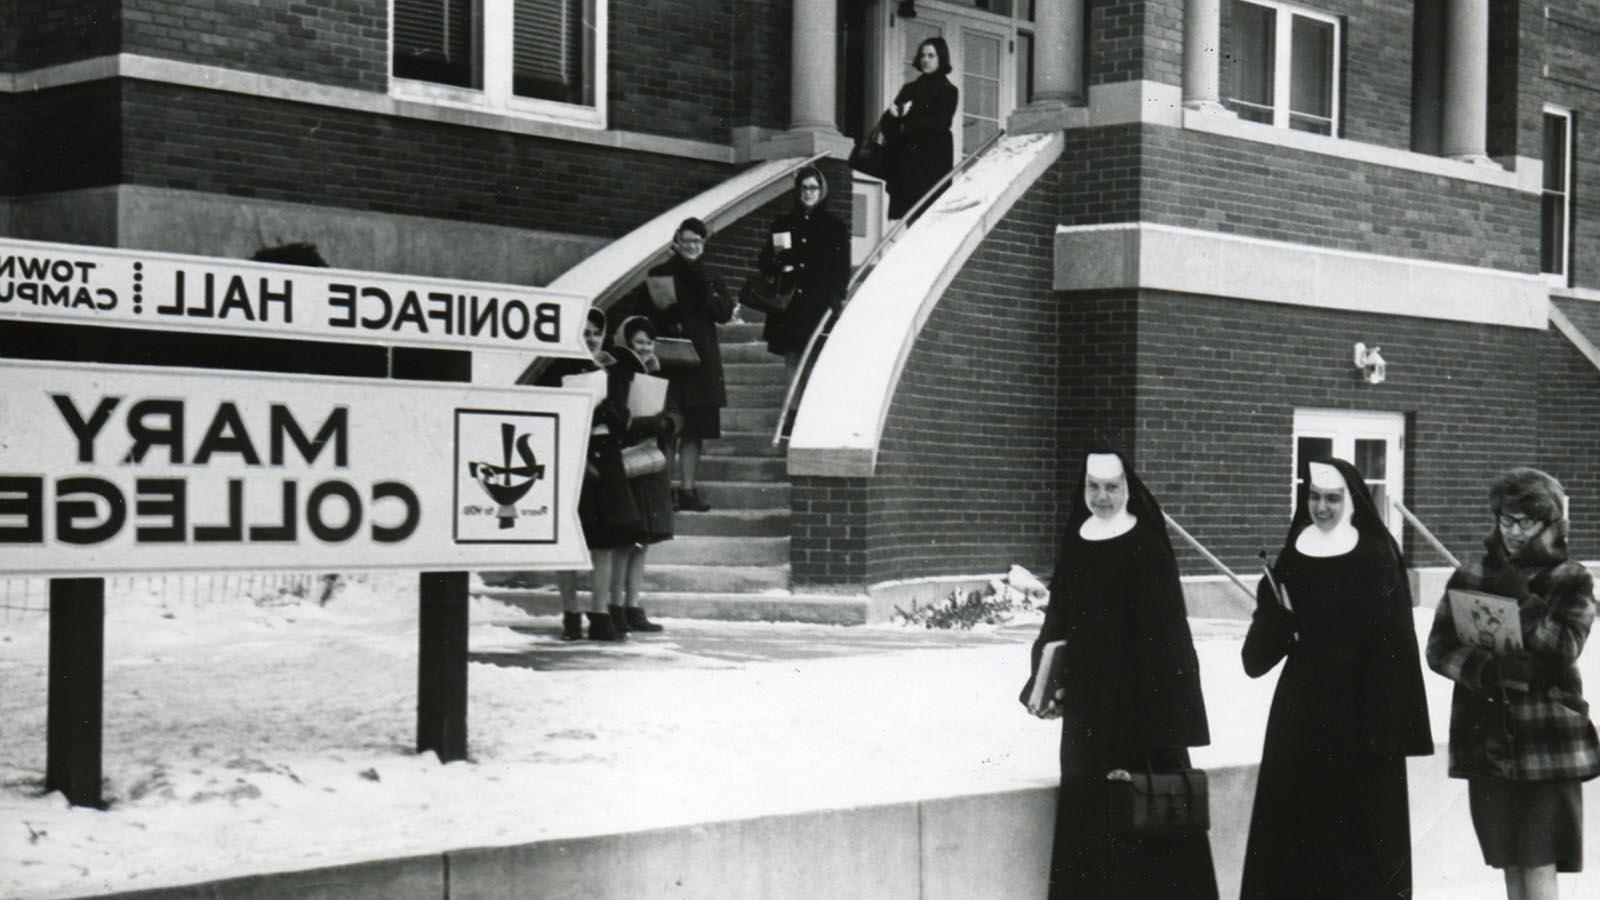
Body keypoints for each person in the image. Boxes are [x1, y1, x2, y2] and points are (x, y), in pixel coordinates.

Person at [1020, 450, 1217, 900]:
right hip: (1087, 714)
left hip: (1141, 711)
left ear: (1127, 488)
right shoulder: (1078, 540)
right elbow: (1058, 622)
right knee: (1089, 821)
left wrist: (1168, 717)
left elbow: (1170, 636)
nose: (1102, 496)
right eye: (1093, 486)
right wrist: (1043, 681)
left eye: (1111, 487)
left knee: (1147, 825)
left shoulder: (1145, 544)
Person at [1239, 458, 1433, 900]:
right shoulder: (1293, 553)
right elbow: (1258, 656)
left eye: (1332, 498)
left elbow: (1395, 648)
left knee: (1356, 841)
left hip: (1361, 716)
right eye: (1314, 497)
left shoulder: (1376, 555)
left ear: (1352, 501)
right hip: (1301, 711)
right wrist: (1274, 615)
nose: (1321, 507)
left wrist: (1385, 729)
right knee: (1294, 831)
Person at [1427, 467, 1599, 900]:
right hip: (1487, 734)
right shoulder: (1469, 574)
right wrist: (1483, 669)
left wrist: (1523, 602)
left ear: (1550, 524)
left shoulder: (1571, 578)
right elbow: (1438, 647)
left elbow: (1565, 646)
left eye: (1527, 522)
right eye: (1507, 520)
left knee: (1539, 861)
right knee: (1508, 860)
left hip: (1547, 741)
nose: (1515, 532)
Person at [622, 217, 734, 513]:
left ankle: (687, 490)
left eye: (697, 241)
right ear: (677, 241)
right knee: (666, 428)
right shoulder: (660, 274)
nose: (692, 247)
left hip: (702, 364)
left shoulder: (711, 276)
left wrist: (699, 279)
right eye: (687, 241)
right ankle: (664, 491)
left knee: (695, 431)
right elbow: (642, 317)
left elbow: (722, 312)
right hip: (668, 363)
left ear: (704, 243)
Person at [609, 316, 679, 635]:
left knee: (642, 542)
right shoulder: (617, 373)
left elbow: (676, 411)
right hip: (628, 463)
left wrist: (669, 424)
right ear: (626, 342)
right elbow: (618, 418)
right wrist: (651, 424)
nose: (645, 348)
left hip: (651, 465)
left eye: (649, 343)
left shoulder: (658, 372)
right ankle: (617, 606)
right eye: (639, 342)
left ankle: (633, 604)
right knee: (626, 541)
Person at [759, 166, 851, 384]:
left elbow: (841, 268)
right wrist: (778, 261)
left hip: (818, 302)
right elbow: (765, 261)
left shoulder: (834, 227)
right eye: (804, 188)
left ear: (821, 191)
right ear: (798, 191)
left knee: (815, 357)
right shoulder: (783, 224)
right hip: (791, 303)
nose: (808, 193)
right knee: (792, 356)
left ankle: (807, 412)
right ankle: (791, 411)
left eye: (813, 188)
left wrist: (835, 299)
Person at [883, 36, 958, 221]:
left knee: (927, 220)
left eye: (931, 55)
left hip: (930, 167)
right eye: (923, 55)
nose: (925, 59)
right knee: (909, 220)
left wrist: (904, 122)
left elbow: (940, 123)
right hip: (906, 167)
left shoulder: (948, 90)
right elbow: (886, 123)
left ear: (941, 58)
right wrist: (896, 119)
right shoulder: (909, 89)